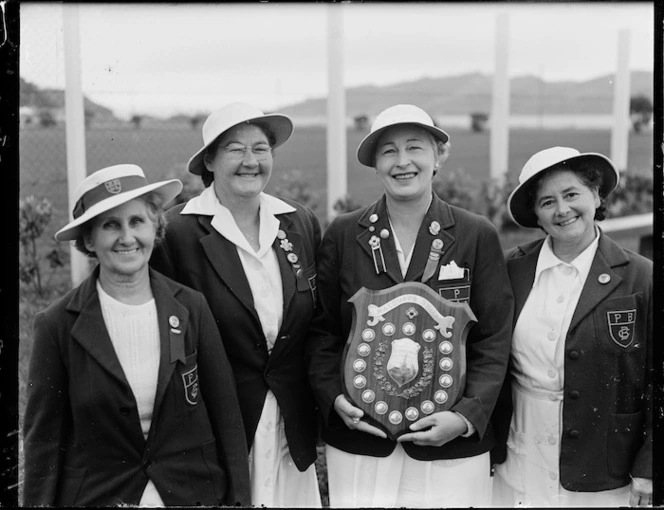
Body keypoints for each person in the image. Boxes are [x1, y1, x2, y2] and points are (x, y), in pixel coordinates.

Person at [305, 104, 514, 508]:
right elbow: (322, 331)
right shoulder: (345, 233)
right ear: (375, 164)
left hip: (450, 443)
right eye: (388, 151)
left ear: (438, 155)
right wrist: (334, 397)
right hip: (362, 439)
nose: (403, 162)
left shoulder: (476, 234)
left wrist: (466, 416)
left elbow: (495, 337)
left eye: (415, 147)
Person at [22, 164, 251, 507]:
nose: (127, 238)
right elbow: (43, 442)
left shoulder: (191, 308)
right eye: (111, 225)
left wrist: (239, 501)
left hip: (192, 495)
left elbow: (227, 419)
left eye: (137, 222)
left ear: (156, 227)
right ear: (88, 239)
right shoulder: (57, 325)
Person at [150, 102, 322, 507]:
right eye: (235, 149)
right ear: (209, 160)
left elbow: (315, 322)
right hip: (218, 424)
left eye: (260, 149)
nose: (251, 161)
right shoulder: (176, 232)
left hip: (289, 422)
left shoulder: (299, 222)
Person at [491, 147, 653, 507]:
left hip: (605, 464)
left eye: (571, 194)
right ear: (536, 214)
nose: (562, 210)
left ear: (596, 196)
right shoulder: (510, 270)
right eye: (547, 202)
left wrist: (650, 466)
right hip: (521, 450)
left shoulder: (642, 277)